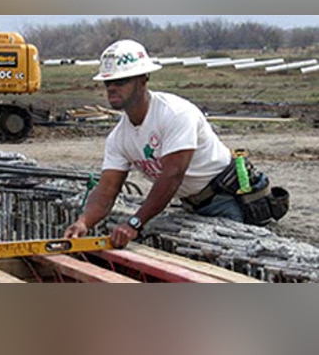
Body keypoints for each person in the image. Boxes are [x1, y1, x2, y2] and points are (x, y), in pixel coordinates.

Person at [64, 40, 288, 248]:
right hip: (192, 203)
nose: (112, 87)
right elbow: (106, 191)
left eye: (120, 81)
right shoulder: (119, 138)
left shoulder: (175, 114)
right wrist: (84, 222)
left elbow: (172, 175)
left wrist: (134, 223)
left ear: (143, 80)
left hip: (224, 197)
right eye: (108, 82)